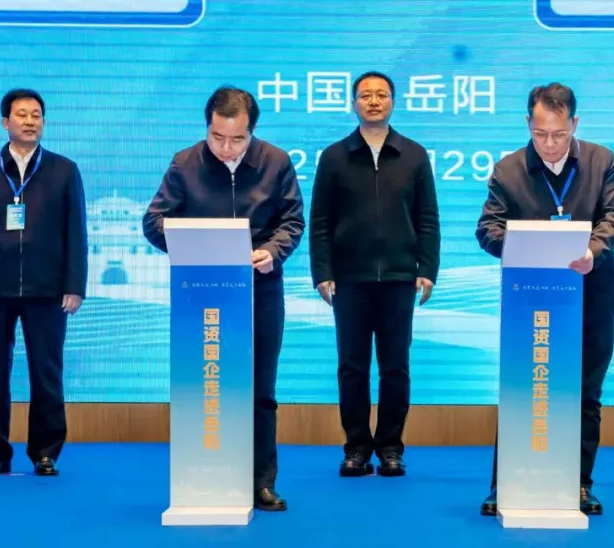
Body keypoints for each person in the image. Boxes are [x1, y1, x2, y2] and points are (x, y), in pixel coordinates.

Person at [142, 86, 304, 511]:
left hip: (260, 289)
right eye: (217, 138)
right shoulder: (185, 163)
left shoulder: (276, 162)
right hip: (202, 293)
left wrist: (272, 252)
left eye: (237, 139)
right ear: (207, 128)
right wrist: (194, 242)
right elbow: (154, 221)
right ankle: (205, 475)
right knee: (207, 386)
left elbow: (292, 220)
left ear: (252, 131)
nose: (226, 148)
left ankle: (261, 482)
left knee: (260, 389)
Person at [475, 83, 614, 516]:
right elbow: (487, 228)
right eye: (540, 133)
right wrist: (525, 246)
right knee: (522, 390)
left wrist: (591, 251)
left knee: (585, 395)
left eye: (559, 134)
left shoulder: (601, 161)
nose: (549, 144)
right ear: (528, 124)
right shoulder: (508, 170)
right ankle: (504, 484)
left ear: (574, 124)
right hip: (530, 304)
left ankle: (580, 483)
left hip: (592, 298)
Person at [308, 71, 441, 478]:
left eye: (381, 95)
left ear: (393, 102)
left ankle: (390, 448)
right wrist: (322, 271)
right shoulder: (334, 157)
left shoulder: (414, 155)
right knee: (352, 367)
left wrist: (427, 268)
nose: (374, 101)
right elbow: (320, 221)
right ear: (353, 104)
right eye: (365, 95)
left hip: (400, 279)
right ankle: (356, 448)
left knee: (395, 367)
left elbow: (428, 219)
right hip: (349, 280)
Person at [0, 88, 88, 477]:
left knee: (47, 373)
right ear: (5, 122)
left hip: (48, 290)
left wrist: (75, 284)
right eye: (22, 114)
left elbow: (76, 232)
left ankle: (45, 452)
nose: (30, 121)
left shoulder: (64, 170)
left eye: (36, 115)